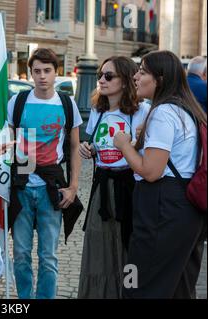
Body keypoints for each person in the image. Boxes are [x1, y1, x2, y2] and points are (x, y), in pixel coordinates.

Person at [114, 50, 207, 298]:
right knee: (179, 286)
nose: (136, 76)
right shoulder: (187, 109)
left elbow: (150, 171)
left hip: (162, 205)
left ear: (161, 79)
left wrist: (123, 144)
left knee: (136, 281)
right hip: (185, 207)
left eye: (143, 71)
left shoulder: (164, 112)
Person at [7, 48, 83, 299]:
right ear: (30, 73)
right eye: (37, 71)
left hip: (52, 188)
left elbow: (73, 147)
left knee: (48, 257)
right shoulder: (17, 102)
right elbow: (8, 145)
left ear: (56, 72)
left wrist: (73, 188)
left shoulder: (66, 103)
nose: (42, 76)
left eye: (47, 71)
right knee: (20, 255)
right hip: (22, 187)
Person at [77, 56, 149, 299]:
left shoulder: (143, 111)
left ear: (126, 80)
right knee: (99, 248)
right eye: (100, 75)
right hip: (102, 188)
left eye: (109, 76)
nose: (101, 80)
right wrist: (88, 150)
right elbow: (97, 145)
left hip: (130, 188)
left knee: (127, 247)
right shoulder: (98, 111)